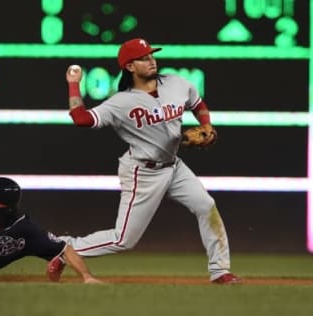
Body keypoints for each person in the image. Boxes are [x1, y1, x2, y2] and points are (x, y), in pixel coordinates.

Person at [48, 38, 241, 284]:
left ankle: (220, 271)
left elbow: (197, 103)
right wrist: (73, 85)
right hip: (143, 171)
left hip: (174, 166)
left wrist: (205, 123)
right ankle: (66, 248)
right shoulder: (121, 102)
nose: (151, 60)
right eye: (143, 58)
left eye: (151, 55)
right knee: (124, 240)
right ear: (129, 66)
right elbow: (82, 119)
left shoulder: (176, 83)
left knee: (206, 206)